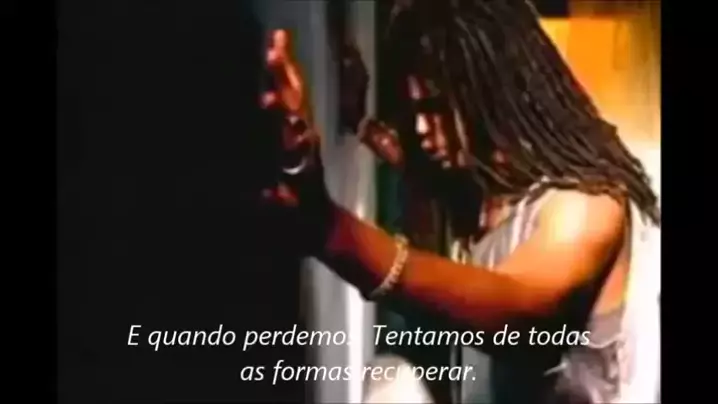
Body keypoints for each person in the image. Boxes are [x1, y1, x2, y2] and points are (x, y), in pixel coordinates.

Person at [258, 0, 661, 402]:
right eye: (416, 109)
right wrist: (360, 124)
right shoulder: (482, 192)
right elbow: (412, 164)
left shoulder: (585, 205)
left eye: (436, 107)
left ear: (494, 95)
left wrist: (331, 231)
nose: (421, 127)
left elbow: (520, 311)